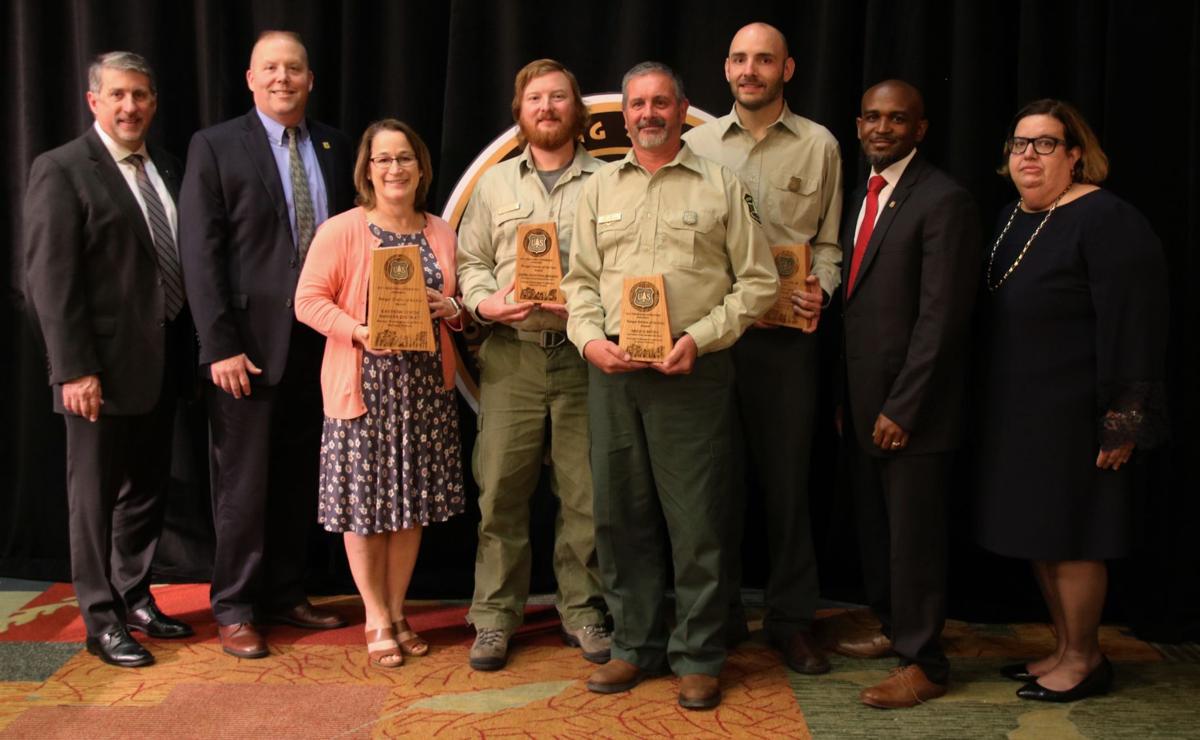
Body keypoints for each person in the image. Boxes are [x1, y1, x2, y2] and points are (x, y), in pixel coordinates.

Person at [562, 61, 778, 710]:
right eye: (637, 104)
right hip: (613, 376)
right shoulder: (597, 191)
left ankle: (698, 655)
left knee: (698, 523)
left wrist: (701, 338)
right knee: (620, 516)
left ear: (683, 110)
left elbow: (759, 282)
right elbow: (576, 283)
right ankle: (635, 646)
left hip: (692, 373)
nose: (648, 113)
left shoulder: (719, 185)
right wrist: (589, 340)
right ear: (622, 115)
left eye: (661, 102)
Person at [974, 99, 1168, 702]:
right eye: (1018, 144)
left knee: (1075, 537)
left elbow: (1136, 322)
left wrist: (1124, 418)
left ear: (1075, 154)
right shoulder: (1012, 215)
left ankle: (1085, 659)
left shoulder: (1108, 220)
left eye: (1045, 144)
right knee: (1041, 534)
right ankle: (1062, 647)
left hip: (1077, 413)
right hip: (1021, 411)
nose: (1028, 155)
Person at [179, 30, 354, 659]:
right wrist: (218, 345)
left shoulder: (335, 146)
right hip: (246, 349)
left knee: (298, 477)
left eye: (295, 68)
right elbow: (200, 255)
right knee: (243, 486)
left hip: (319, 343)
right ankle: (234, 606)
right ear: (250, 79)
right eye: (271, 68)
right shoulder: (216, 145)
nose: (283, 78)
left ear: (310, 79)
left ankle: (285, 591)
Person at [24, 51, 195, 667]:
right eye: (119, 95)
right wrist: (73, 368)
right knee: (93, 498)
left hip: (162, 363)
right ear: (94, 100)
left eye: (142, 95)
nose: (131, 107)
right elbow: (50, 280)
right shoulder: (63, 169)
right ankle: (100, 619)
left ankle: (133, 594)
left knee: (146, 491)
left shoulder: (166, 168)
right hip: (96, 371)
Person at [682, 21, 841, 674]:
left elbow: (828, 244)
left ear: (788, 68)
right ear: (725, 70)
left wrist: (820, 291)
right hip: (714, 342)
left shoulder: (819, 145)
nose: (752, 70)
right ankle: (716, 619)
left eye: (765, 60)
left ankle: (791, 620)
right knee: (712, 489)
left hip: (782, 349)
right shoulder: (694, 145)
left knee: (786, 488)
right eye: (741, 60)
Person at [295, 119, 466, 668]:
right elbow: (308, 301)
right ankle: (374, 616)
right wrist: (359, 330)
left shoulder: (440, 231)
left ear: (421, 167)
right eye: (382, 159)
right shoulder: (343, 230)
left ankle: (397, 610)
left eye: (404, 158)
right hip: (363, 391)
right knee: (367, 512)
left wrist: (453, 310)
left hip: (424, 394)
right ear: (367, 170)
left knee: (411, 507)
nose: (394, 169)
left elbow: (457, 305)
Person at [456, 59, 609, 671]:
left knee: (587, 496)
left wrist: (586, 301)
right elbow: (469, 264)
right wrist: (486, 302)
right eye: (535, 98)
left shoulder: (610, 179)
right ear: (519, 113)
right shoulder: (494, 186)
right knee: (500, 494)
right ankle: (494, 617)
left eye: (559, 97)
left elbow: (618, 265)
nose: (546, 107)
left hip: (580, 358)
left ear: (578, 110)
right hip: (510, 359)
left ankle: (585, 611)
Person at [836, 80, 979, 708]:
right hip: (865, 400)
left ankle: (925, 664)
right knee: (880, 530)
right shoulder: (866, 196)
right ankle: (894, 630)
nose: (881, 128)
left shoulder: (943, 199)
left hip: (912, 410)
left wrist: (903, 406)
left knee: (914, 540)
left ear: (920, 129)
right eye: (871, 117)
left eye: (897, 119)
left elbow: (942, 318)